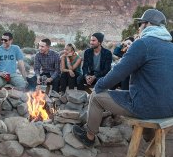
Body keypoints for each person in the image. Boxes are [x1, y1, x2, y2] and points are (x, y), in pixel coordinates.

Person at [72, 9, 173, 148]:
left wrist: (99, 86)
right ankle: (150, 139)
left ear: (148, 24)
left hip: (145, 106)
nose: (139, 28)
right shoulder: (170, 46)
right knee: (149, 97)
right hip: (169, 108)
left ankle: (89, 137)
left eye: (140, 24)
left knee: (96, 97)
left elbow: (119, 72)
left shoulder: (143, 44)